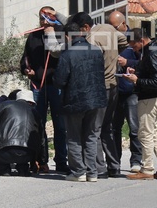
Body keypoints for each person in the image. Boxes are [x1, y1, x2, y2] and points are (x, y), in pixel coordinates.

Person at [52, 12, 107, 182]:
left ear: (67, 37)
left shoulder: (67, 54)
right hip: (96, 100)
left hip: (74, 101)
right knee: (91, 136)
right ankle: (92, 172)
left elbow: (59, 81)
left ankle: (78, 171)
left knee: (74, 137)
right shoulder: (96, 51)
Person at [20, 6, 68, 173]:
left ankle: (61, 161)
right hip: (38, 85)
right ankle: (40, 161)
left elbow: (61, 54)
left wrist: (51, 34)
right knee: (38, 124)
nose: (44, 21)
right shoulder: (33, 36)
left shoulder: (61, 33)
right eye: (42, 18)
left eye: (48, 17)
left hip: (57, 86)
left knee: (60, 125)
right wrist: (26, 69)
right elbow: (25, 58)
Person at [125, 28, 157, 180]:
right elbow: (150, 72)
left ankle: (147, 169)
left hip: (150, 99)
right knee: (153, 133)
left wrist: (137, 80)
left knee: (145, 134)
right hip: (155, 97)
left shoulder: (152, 53)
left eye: (134, 45)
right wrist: (136, 72)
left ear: (141, 40)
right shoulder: (151, 49)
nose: (133, 49)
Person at [88, 10, 128, 178]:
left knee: (95, 129)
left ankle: (100, 168)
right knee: (107, 127)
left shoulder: (92, 37)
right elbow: (124, 41)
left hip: (100, 87)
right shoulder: (115, 34)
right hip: (113, 87)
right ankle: (114, 165)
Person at [0, 89, 41, 177]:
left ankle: (3, 168)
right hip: (28, 154)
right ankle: (23, 167)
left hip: (2, 151)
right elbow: (42, 138)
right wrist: (42, 161)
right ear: (31, 102)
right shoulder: (35, 112)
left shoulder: (6, 104)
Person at [113, 27, 143, 172]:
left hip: (131, 93)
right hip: (115, 92)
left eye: (115, 27)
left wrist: (127, 62)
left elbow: (144, 63)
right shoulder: (109, 43)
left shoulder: (134, 43)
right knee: (114, 129)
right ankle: (114, 163)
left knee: (134, 129)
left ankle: (136, 161)